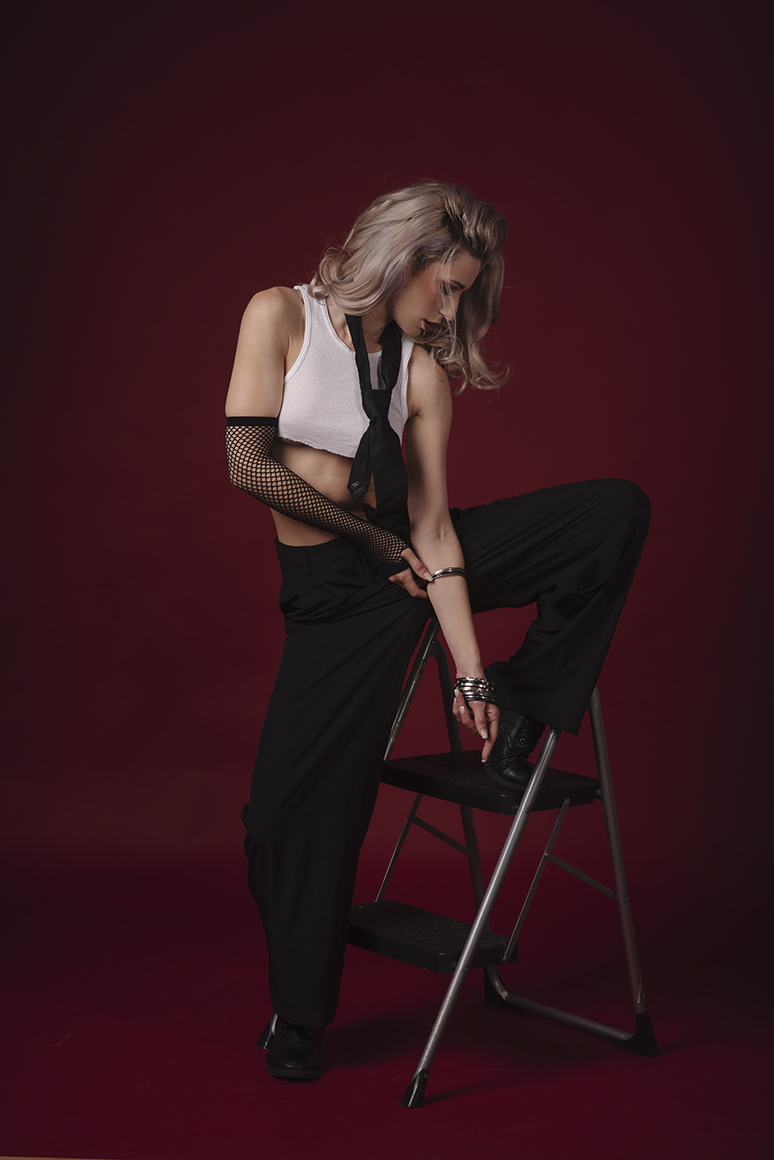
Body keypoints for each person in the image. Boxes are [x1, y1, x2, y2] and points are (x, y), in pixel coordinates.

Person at [224, 182, 650, 1082]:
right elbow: (247, 464)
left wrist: (473, 676)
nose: (452, 310)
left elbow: (435, 532)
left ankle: (530, 700)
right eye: (447, 287)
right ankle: (300, 1013)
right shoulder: (281, 316)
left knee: (613, 511)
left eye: (463, 294)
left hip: (408, 561)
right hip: (337, 596)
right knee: (282, 822)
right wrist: (373, 542)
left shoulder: (419, 374)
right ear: (403, 257)